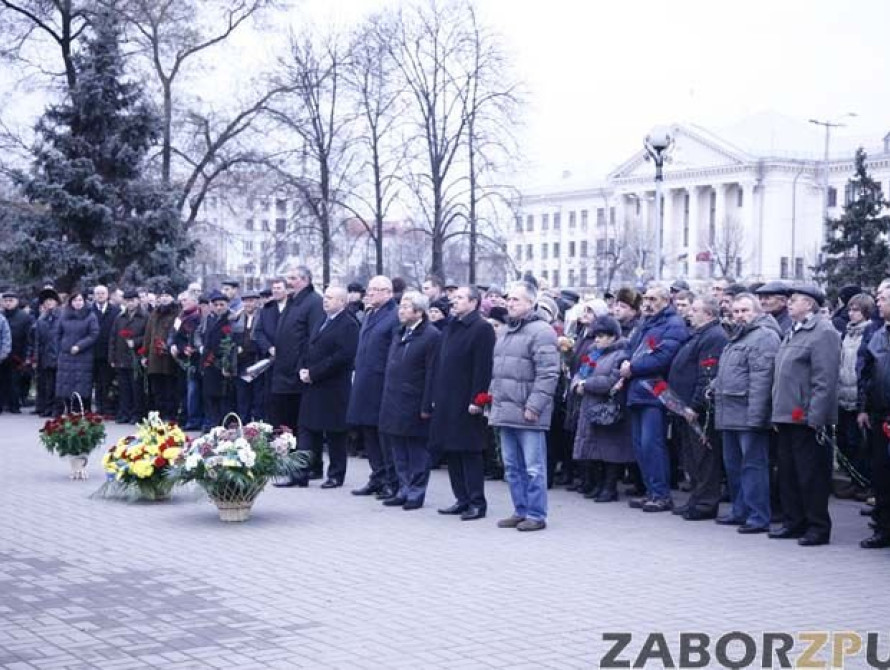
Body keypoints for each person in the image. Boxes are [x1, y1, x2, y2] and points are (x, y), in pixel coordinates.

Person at [769, 285, 841, 546]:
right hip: (787, 414)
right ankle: (794, 521)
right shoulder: (794, 330)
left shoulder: (823, 332)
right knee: (788, 473)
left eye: (795, 300)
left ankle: (817, 526)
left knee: (811, 475)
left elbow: (825, 379)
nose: (789, 303)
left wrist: (817, 417)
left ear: (809, 304)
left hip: (806, 417)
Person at [490, 281, 559, 531]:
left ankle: (536, 514)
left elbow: (548, 373)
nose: (510, 303)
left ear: (531, 303)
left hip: (528, 412)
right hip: (506, 410)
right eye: (509, 299)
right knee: (512, 467)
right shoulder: (507, 331)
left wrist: (535, 405)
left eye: (516, 300)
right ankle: (520, 510)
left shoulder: (542, 332)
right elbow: (499, 372)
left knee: (533, 467)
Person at [714, 293, 781, 531]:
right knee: (733, 465)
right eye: (736, 312)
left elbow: (762, 380)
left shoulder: (764, 337)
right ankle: (740, 510)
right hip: (729, 411)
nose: (740, 316)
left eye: (745, 311)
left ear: (757, 311)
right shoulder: (736, 337)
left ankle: (758, 516)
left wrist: (757, 417)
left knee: (753, 466)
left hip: (748, 413)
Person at [620, 285, 689, 513]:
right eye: (646, 298)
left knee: (653, 444)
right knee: (640, 446)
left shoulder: (673, 324)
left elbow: (664, 357)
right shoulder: (645, 322)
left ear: (666, 301)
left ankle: (661, 494)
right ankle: (650, 491)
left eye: (653, 299)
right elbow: (629, 348)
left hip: (655, 392)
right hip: (637, 391)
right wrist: (625, 362)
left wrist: (633, 367)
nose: (648, 303)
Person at [430, 286, 495, 521]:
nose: (453, 302)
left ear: (474, 302)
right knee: (452, 450)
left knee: (469, 451)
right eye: (453, 298)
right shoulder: (451, 327)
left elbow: (483, 368)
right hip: (448, 399)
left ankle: (477, 502)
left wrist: (478, 399)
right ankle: (462, 499)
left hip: (468, 401)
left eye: (459, 298)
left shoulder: (482, 329)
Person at [378, 291, 440, 509]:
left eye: (406, 307)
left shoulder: (431, 336)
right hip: (394, 400)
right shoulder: (400, 333)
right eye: (401, 306)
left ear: (419, 312)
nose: (400, 310)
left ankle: (416, 492)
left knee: (416, 451)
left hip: (415, 402)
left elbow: (433, 373)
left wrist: (427, 405)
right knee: (398, 449)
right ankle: (403, 489)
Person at [668, 297, 728, 521]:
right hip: (683, 407)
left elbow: (707, 375)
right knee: (692, 458)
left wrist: (695, 405)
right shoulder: (698, 334)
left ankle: (705, 503)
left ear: (710, 314)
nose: (689, 313)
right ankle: (696, 498)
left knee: (704, 458)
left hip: (699, 411)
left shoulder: (714, 337)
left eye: (695, 310)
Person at [296, 286, 359, 488]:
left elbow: (341, 357)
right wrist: (303, 368)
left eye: (330, 298)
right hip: (313, 385)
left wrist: (313, 373)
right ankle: (305, 471)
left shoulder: (348, 324)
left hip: (333, 387)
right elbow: (311, 347)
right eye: (325, 297)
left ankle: (336, 474)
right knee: (308, 428)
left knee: (334, 433)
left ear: (342, 302)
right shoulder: (322, 320)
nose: (325, 301)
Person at [347, 275, 400, 498]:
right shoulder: (370, 313)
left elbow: (393, 352)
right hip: (364, 381)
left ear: (388, 293)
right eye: (369, 289)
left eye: (376, 290)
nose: (370, 293)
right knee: (368, 431)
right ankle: (377, 475)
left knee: (383, 435)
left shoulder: (394, 315)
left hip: (381, 383)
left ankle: (391, 479)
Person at [570, 315, 632, 502]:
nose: (597, 339)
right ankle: (598, 484)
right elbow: (579, 373)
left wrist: (585, 384)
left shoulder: (621, 354)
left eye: (602, 336)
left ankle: (609, 486)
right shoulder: (593, 353)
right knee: (595, 448)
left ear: (613, 336)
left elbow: (610, 380)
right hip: (590, 406)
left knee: (611, 449)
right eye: (596, 335)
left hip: (608, 408)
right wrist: (577, 384)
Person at [269, 267, 324, 443]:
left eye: (292, 278)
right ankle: (289, 460)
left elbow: (313, 338)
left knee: (300, 425)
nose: (288, 282)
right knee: (284, 423)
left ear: (305, 280)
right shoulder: (292, 301)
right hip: (282, 375)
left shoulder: (314, 302)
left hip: (297, 376)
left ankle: (304, 464)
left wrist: (303, 366)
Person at [857, 286, 890, 549]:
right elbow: (866, 375)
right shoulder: (877, 335)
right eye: (878, 298)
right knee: (881, 476)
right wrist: (864, 408)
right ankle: (883, 529)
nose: (877, 302)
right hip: (879, 416)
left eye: (883, 298)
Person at [836, 293, 874, 500]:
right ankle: (854, 481)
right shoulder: (846, 334)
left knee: (859, 442)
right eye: (850, 309)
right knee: (846, 441)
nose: (852, 313)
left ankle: (864, 483)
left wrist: (863, 404)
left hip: (858, 396)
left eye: (856, 310)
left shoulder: (870, 333)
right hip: (843, 393)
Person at [55, 292, 99, 414]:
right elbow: (58, 333)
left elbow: (93, 334)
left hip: (83, 356)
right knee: (66, 384)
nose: (77, 303)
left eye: (80, 300)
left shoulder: (90, 316)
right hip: (66, 356)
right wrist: (62, 346)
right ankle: (68, 409)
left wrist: (79, 346)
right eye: (75, 300)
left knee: (81, 384)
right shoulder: (64, 315)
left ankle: (82, 410)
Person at [108, 290, 147, 424]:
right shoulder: (120, 317)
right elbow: (113, 337)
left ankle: (137, 414)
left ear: (138, 301)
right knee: (123, 388)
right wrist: (112, 357)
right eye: (128, 300)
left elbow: (148, 337)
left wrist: (136, 342)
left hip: (136, 358)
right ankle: (124, 412)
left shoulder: (144, 317)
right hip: (121, 358)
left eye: (133, 300)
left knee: (136, 388)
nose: (130, 303)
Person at [142, 288, 179, 421]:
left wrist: (169, 346)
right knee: (157, 387)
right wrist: (145, 354)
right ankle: (159, 413)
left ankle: (170, 414)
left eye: (167, 295)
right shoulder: (154, 313)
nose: (164, 298)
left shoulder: (177, 313)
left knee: (170, 387)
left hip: (169, 356)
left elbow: (177, 333)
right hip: (154, 357)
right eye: (162, 295)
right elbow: (148, 335)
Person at [254, 278, 287, 421]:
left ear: (286, 290)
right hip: (270, 361)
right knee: (269, 397)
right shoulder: (266, 310)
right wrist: (269, 348)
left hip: (288, 361)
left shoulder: (294, 307)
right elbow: (258, 332)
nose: (276, 291)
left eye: (279, 288)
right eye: (274, 288)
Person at [169, 292, 203, 430]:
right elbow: (174, 334)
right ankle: (186, 418)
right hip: (182, 358)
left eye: (186, 300)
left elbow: (197, 336)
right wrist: (174, 346)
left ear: (195, 301)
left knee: (193, 390)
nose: (183, 303)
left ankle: (194, 419)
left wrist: (188, 347)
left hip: (196, 358)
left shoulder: (199, 316)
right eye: (181, 301)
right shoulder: (180, 317)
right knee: (185, 390)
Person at [1, 292, 34, 414]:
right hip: (2, 355)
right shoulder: (1, 316)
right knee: (2, 381)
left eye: (11, 300)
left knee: (15, 382)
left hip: (17, 355)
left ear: (17, 301)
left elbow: (29, 338)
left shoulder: (24, 317)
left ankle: (15, 405)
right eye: (6, 300)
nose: (8, 303)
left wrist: (27, 356)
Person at [90, 285, 120, 417]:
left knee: (107, 381)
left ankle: (108, 407)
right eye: (97, 293)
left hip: (109, 352)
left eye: (102, 293)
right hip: (93, 352)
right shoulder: (89, 311)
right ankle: (98, 407)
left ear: (107, 295)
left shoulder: (116, 311)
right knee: (96, 382)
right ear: (94, 296)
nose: (100, 296)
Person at [234, 290, 264, 422]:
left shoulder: (263, 317)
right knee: (242, 398)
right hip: (241, 363)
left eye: (251, 301)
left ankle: (258, 427)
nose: (248, 304)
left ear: (257, 302)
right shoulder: (237, 318)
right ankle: (243, 425)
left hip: (258, 362)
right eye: (246, 301)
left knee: (258, 398)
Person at [31, 289, 61, 417]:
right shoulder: (41, 320)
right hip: (45, 356)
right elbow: (38, 341)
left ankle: (57, 409)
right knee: (48, 384)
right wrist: (36, 358)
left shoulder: (62, 317)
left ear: (56, 302)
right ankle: (47, 407)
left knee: (58, 384)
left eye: (51, 300)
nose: (49, 303)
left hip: (59, 355)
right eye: (46, 301)